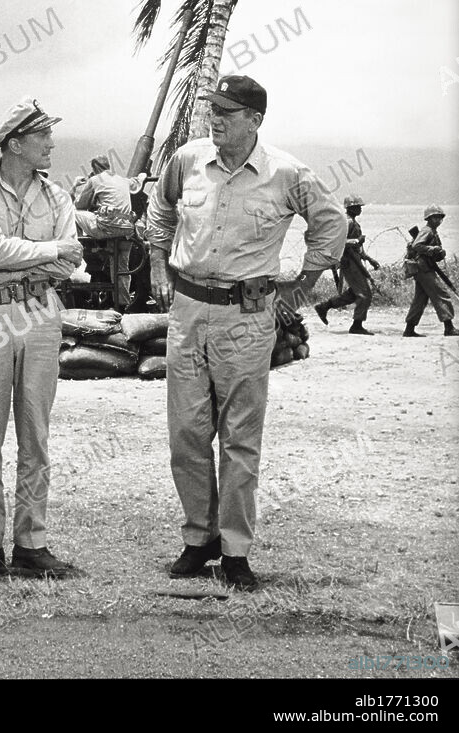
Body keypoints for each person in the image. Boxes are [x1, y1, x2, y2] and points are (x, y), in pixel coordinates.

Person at [146, 75, 346, 591]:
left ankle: (235, 550)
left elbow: (330, 223)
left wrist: (302, 284)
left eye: (228, 113)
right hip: (188, 312)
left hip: (247, 317)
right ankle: (199, 539)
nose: (216, 119)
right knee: (186, 434)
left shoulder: (287, 172)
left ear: (255, 120)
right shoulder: (188, 160)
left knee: (239, 438)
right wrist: (155, 262)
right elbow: (161, 210)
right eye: (213, 110)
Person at [0, 97, 84, 580]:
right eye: (42, 135)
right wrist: (47, 252)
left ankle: (31, 543)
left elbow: (71, 262)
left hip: (42, 313)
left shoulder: (59, 197)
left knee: (36, 432)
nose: (51, 143)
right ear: (14, 144)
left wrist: (22, 258)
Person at [72, 156, 147, 310]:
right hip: (126, 230)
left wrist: (79, 186)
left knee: (73, 212)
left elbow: (81, 205)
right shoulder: (123, 180)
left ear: (94, 168)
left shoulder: (95, 180)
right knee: (122, 270)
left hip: (107, 229)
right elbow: (137, 183)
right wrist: (142, 176)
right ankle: (122, 306)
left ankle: (77, 245)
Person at [314, 195, 380, 335]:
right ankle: (357, 325)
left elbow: (356, 248)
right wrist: (356, 241)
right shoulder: (347, 222)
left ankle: (324, 306)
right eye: (357, 207)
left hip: (354, 260)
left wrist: (369, 259)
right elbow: (338, 242)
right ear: (351, 208)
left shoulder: (352, 222)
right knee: (364, 294)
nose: (359, 209)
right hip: (349, 262)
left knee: (353, 293)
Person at [403, 206, 457, 337]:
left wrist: (439, 252)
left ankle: (409, 329)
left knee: (420, 300)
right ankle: (449, 328)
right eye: (435, 217)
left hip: (424, 268)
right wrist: (433, 249)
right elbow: (417, 245)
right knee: (441, 294)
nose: (438, 220)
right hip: (424, 269)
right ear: (429, 218)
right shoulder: (427, 231)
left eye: (440, 218)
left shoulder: (432, 231)